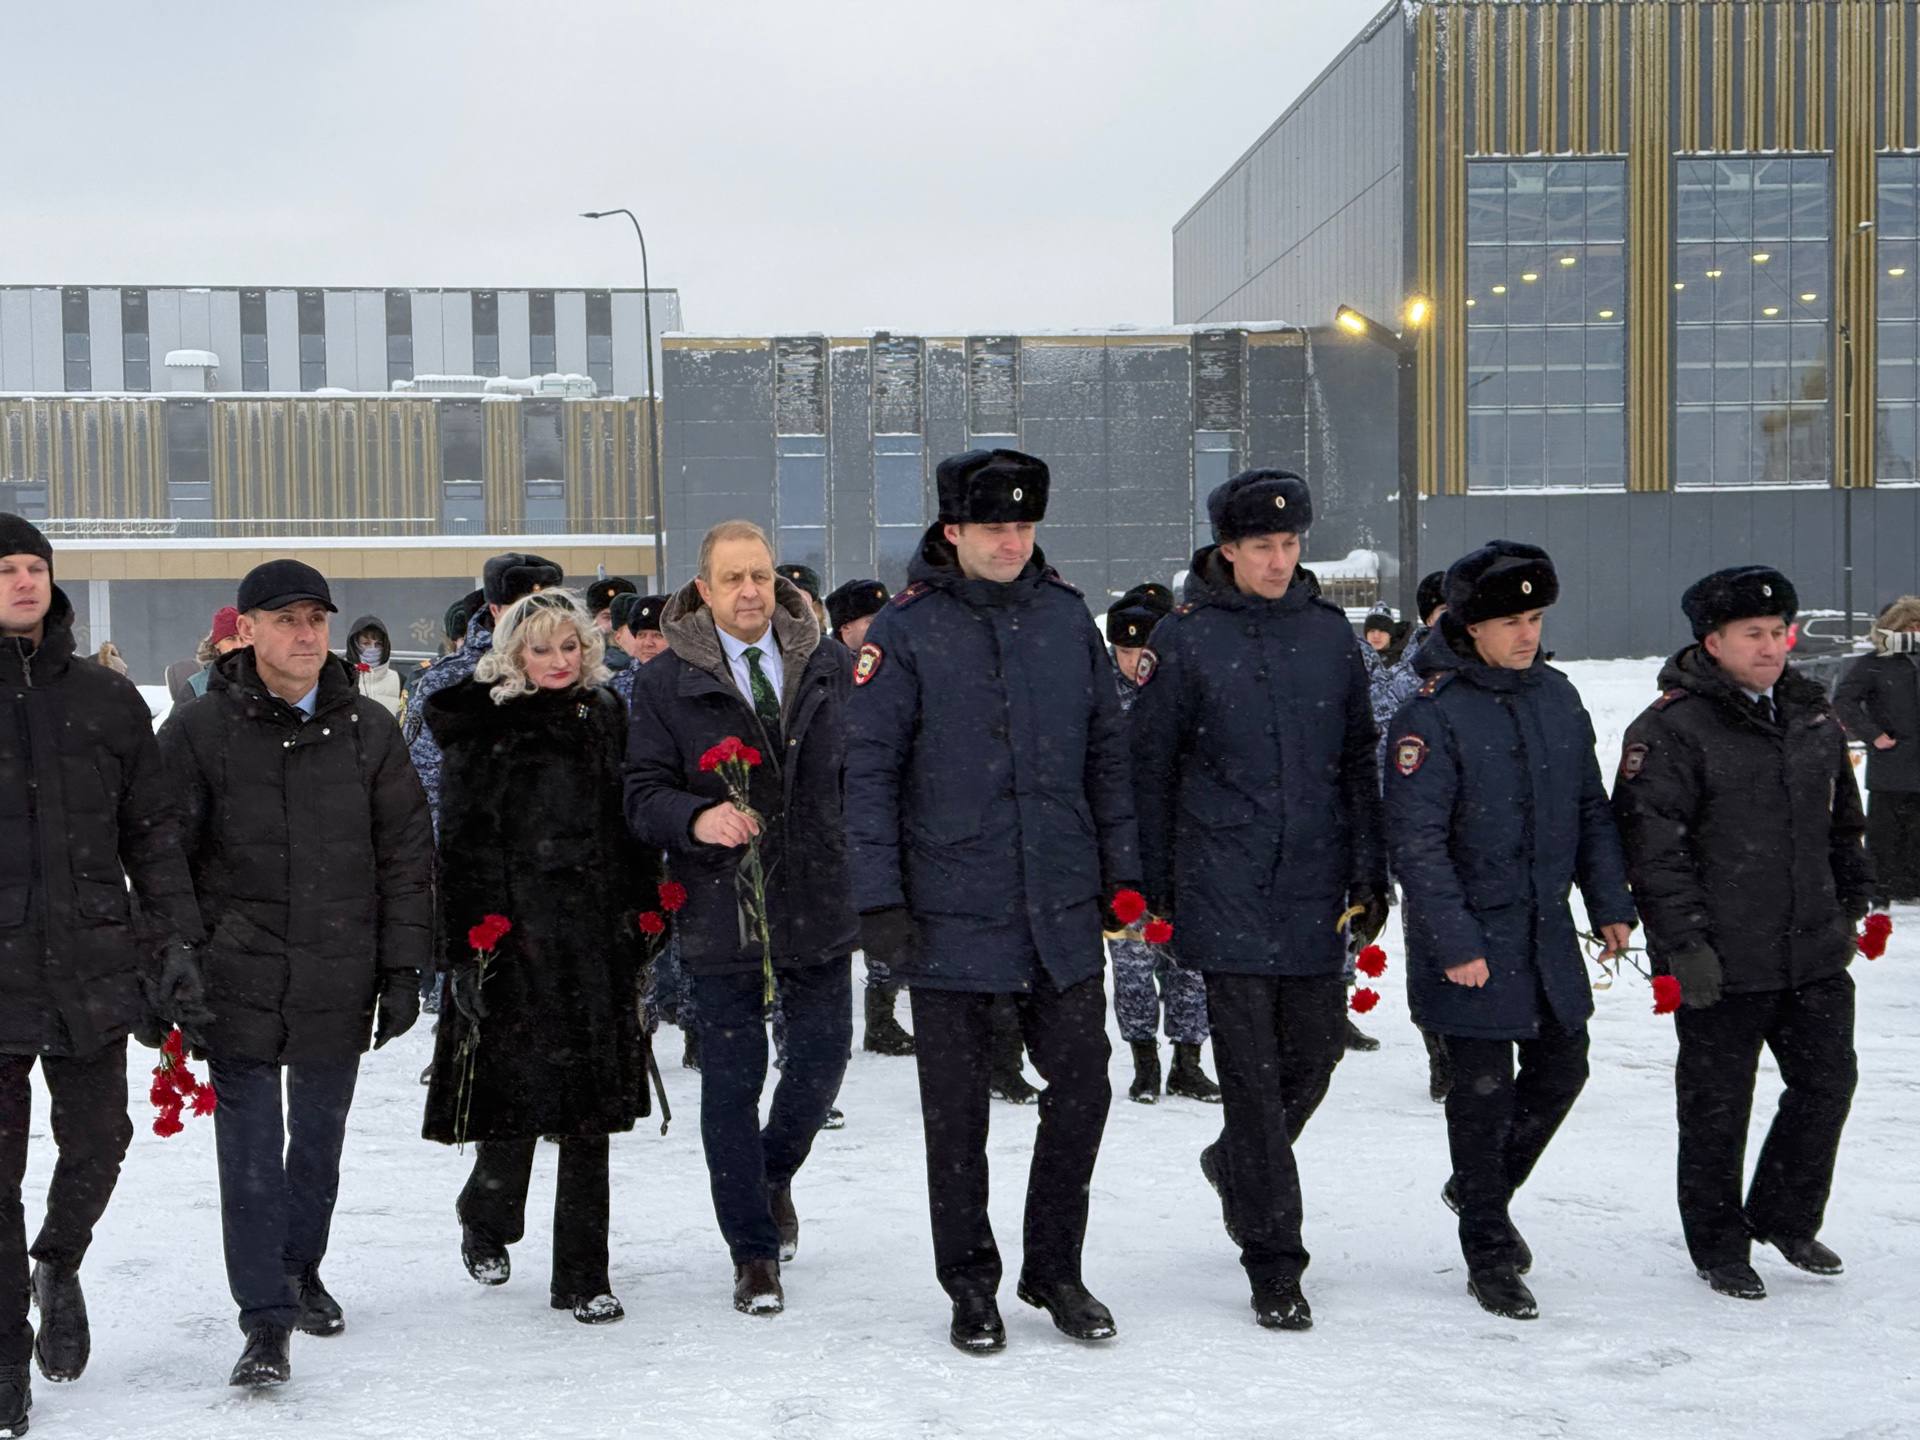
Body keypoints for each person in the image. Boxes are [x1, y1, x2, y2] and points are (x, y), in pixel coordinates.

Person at [849, 448, 1137, 1354]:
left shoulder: (1064, 620)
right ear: (953, 532)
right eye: (992, 528)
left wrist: (1122, 874)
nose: (1011, 541)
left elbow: (1107, 757)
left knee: (1084, 1088)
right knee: (958, 1117)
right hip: (948, 909)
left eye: (1023, 526)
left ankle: (1054, 1270)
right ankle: (970, 1284)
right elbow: (867, 775)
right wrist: (880, 900)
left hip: (1057, 908)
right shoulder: (905, 633)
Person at [159, 559, 434, 1388]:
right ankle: (265, 1320)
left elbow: (406, 855)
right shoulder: (198, 732)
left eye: (316, 617)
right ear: (245, 631)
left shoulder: (368, 730)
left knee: (317, 1143)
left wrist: (401, 967)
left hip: (337, 969)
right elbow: (164, 857)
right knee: (248, 1153)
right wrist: (175, 955)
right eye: (285, 619)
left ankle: (300, 1269)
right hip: (234, 973)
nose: (306, 633)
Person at [1129, 468, 1387, 1333]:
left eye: (1290, 544)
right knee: (1250, 1075)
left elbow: (1357, 761)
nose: (1280, 560)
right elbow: (1150, 770)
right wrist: (1154, 885)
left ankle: (1234, 1162)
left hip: (1314, 887)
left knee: (1313, 1059)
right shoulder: (1187, 639)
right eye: (1262, 547)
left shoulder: (1327, 635)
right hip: (1222, 884)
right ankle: (1275, 1261)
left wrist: (1367, 870)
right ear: (1227, 551)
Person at [1383, 541, 1635, 1321]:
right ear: (1470, 624)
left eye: (1535, 617)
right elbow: (1417, 845)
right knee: (1482, 1096)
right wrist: (1456, 944)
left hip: (1543, 929)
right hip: (1470, 936)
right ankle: (1489, 1252)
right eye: (1510, 620)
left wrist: (1610, 903)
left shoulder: (1556, 696)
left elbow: (1590, 810)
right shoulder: (1431, 713)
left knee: (1565, 1066)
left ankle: (1478, 1189)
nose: (1527, 633)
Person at [1613, 565, 1871, 1302]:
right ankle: (1719, 1242)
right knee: (1717, 1105)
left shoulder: (1813, 715)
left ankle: (1786, 1216)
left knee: (1826, 1083)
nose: (1770, 647)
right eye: (1752, 635)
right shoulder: (1671, 729)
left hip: (1812, 947)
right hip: (1719, 956)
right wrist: (1684, 945)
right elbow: (1652, 849)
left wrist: (1851, 899)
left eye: (1777, 633)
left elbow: (1841, 819)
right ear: (1713, 641)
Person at [0, 515, 208, 1433]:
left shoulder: (107, 699)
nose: (21, 581)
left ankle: (60, 1259)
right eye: (4, 569)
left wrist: (174, 944)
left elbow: (154, 835)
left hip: (90, 960)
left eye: (33, 567)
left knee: (101, 1139)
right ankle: (6, 1355)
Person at [625, 521, 856, 1318]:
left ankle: (771, 1170)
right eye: (733, 579)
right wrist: (696, 818)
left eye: (760, 575)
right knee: (731, 1079)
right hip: (723, 901)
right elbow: (641, 793)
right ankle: (753, 1253)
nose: (751, 591)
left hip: (819, 894)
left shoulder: (827, 664)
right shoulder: (665, 683)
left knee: (823, 1057)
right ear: (704, 589)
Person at [422, 590, 652, 1326]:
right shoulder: (488, 724)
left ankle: (584, 1274)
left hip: (595, 937)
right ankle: (487, 1212)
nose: (559, 661)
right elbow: (461, 841)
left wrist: (646, 909)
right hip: (513, 937)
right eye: (541, 648)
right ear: (515, 654)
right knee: (515, 1100)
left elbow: (630, 823)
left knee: (591, 1114)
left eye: (570, 646)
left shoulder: (606, 715)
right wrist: (467, 945)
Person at [1104, 583, 1217, 1104]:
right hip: (1126, 854)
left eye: (1140, 651)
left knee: (1188, 964)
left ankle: (1188, 1062)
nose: (1132, 662)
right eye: (1124, 651)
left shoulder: (1184, 692)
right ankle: (1143, 1062)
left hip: (1184, 850)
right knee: (1132, 966)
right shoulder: (1100, 699)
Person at [406, 554, 564, 835]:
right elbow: (424, 784)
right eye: (520, 609)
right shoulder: (449, 681)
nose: (532, 621)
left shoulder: (572, 673)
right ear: (494, 610)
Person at [1374, 570, 1454, 1101]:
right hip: (1422, 837)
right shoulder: (1404, 678)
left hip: (1483, 840)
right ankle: (1441, 1053)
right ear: (1429, 617)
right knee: (1429, 953)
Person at [1833, 596, 1920, 908]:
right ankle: (1880, 889)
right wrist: (1875, 735)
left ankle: (1912, 887)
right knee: (1885, 831)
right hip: (1892, 763)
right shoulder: (1875, 662)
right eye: (1912, 625)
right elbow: (1844, 701)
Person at [606, 592, 669, 711]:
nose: (648, 643)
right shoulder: (615, 686)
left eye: (658, 635)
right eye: (641, 635)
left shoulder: (688, 683)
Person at [343, 615, 404, 718]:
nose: (372, 649)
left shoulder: (399, 680)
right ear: (354, 645)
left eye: (378, 644)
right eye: (366, 643)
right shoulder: (341, 676)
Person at [586, 577, 639, 672]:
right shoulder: (584, 659)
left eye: (621, 619)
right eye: (607, 617)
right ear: (593, 620)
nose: (613, 625)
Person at [825, 577, 888, 654]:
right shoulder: (822, 662)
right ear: (846, 627)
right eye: (872, 621)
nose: (883, 626)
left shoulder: (899, 657)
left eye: (886, 619)